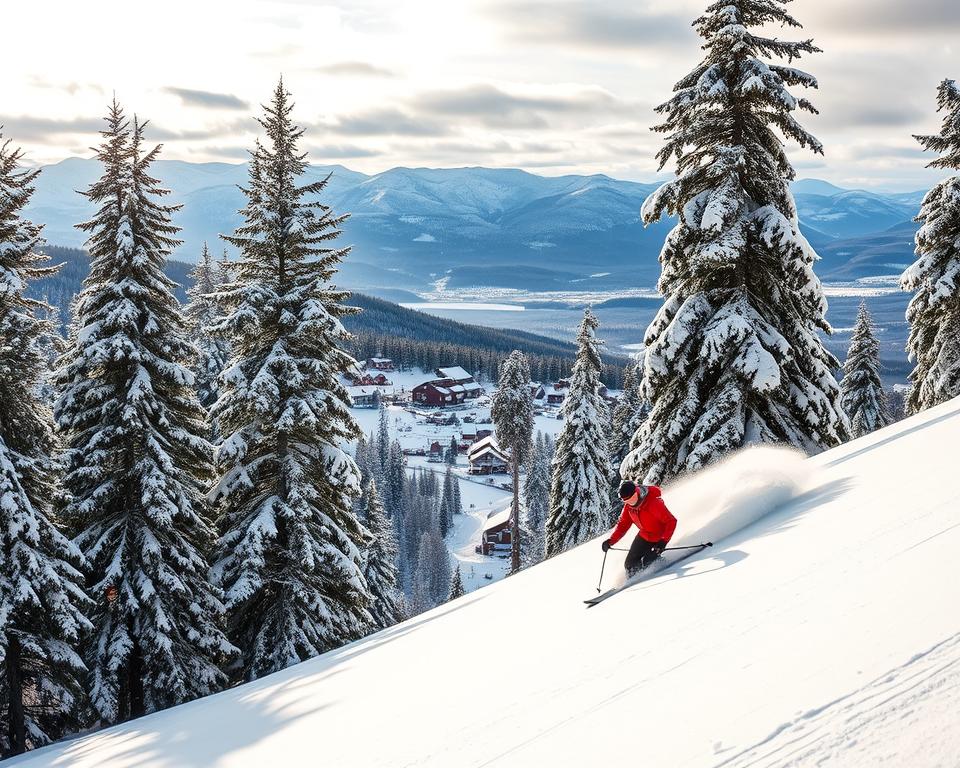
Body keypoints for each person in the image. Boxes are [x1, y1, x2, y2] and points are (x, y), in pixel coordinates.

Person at [602, 480, 677, 578]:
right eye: (626, 501)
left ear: (637, 492)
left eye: (632, 499)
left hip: (659, 537)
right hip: (644, 535)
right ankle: (635, 580)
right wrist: (610, 541)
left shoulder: (653, 503)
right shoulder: (629, 507)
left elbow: (671, 521)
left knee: (648, 561)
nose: (630, 503)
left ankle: (666, 567)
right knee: (630, 564)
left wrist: (664, 541)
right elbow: (623, 525)